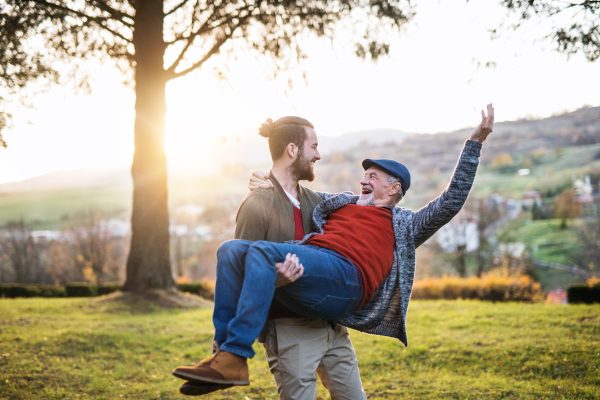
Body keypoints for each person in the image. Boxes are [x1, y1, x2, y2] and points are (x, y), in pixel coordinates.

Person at [172, 104, 494, 395]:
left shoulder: (405, 225)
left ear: (394, 188)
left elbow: (449, 202)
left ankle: (235, 355)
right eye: (364, 173)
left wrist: (474, 143)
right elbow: (292, 188)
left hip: (348, 278)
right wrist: (264, 181)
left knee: (259, 251)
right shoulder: (341, 203)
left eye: (373, 175)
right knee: (229, 250)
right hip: (318, 273)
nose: (363, 179)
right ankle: (224, 356)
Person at [179, 116, 367, 399]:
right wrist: (275, 280)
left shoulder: (316, 202)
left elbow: (361, 208)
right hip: (290, 329)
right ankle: (226, 357)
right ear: (292, 150)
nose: (318, 154)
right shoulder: (258, 204)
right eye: (313, 146)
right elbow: (239, 276)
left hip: (331, 326)